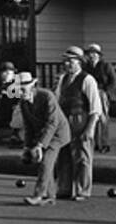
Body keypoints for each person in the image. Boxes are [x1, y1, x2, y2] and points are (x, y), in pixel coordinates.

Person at [11, 71, 71, 206]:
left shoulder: (47, 96)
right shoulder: (23, 103)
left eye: (24, 87)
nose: (21, 91)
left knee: (46, 161)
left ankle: (39, 195)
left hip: (58, 134)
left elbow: (52, 123)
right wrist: (27, 146)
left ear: (32, 86)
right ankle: (50, 196)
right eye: (19, 88)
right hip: (43, 133)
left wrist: (39, 145)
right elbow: (28, 126)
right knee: (44, 163)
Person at [52, 46, 102, 201]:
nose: (67, 64)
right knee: (63, 156)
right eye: (65, 61)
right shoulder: (63, 79)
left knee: (82, 158)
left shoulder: (87, 80)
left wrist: (90, 128)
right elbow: (57, 100)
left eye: (71, 61)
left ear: (79, 62)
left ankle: (82, 190)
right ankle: (64, 187)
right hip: (65, 122)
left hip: (81, 121)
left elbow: (95, 108)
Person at [83, 44, 116, 152]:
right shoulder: (86, 67)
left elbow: (114, 81)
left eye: (94, 53)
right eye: (90, 53)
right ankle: (95, 143)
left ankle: (105, 143)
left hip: (102, 93)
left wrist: (107, 93)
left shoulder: (106, 66)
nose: (92, 56)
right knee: (92, 117)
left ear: (99, 55)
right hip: (90, 93)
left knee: (103, 119)